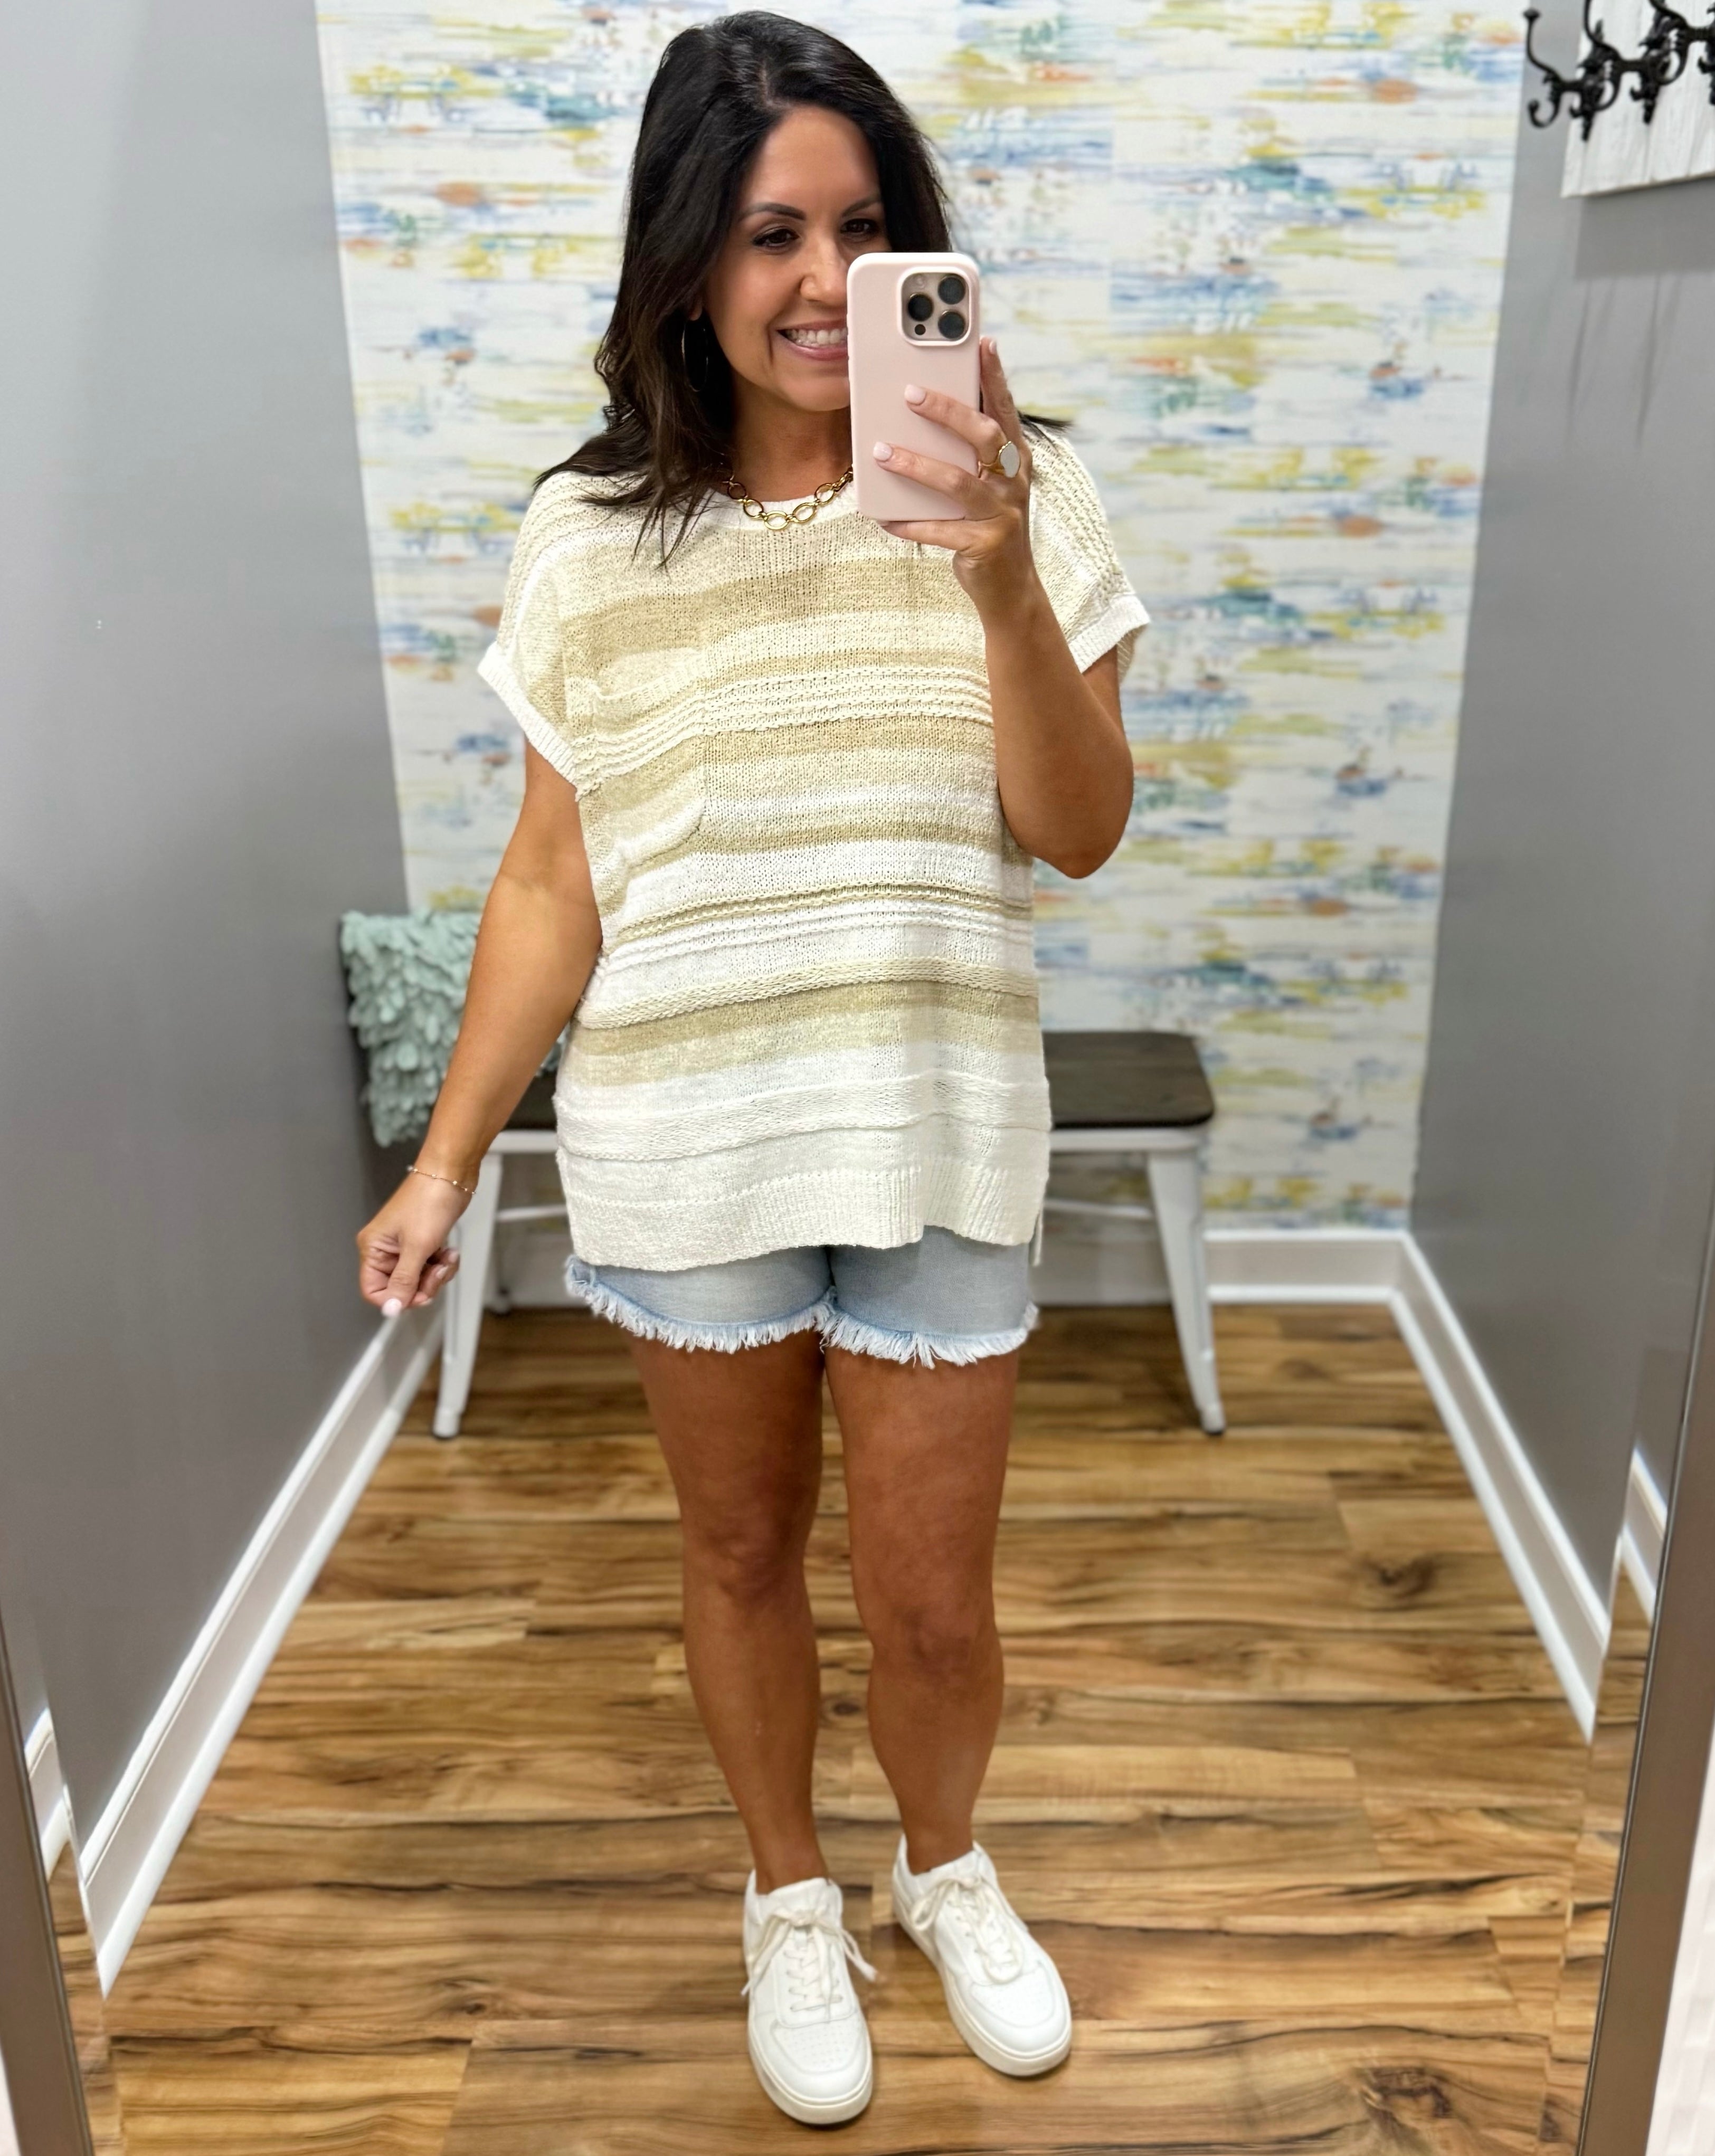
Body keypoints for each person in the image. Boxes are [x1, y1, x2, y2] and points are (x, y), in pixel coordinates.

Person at [355, 11, 1147, 2127]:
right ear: (686, 256)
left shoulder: (1023, 490)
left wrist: (998, 582)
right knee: (735, 1557)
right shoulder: (589, 536)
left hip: (934, 1122)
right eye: (774, 233)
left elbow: (1077, 828)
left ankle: (940, 1868)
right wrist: (444, 1162)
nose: (823, 282)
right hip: (686, 1137)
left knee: (933, 1598)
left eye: (868, 232)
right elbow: (552, 880)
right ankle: (788, 1893)